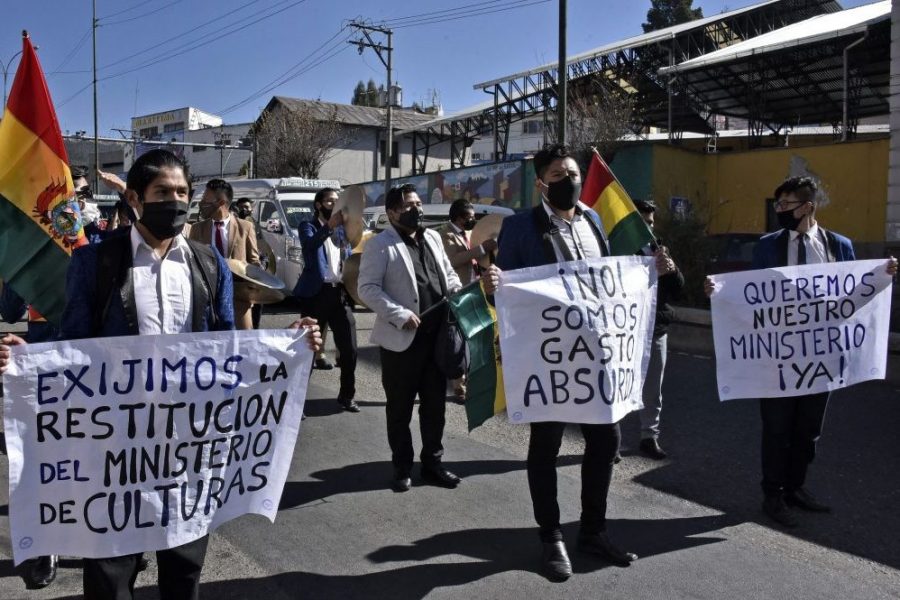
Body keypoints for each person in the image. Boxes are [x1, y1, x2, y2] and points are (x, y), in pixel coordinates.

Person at [0, 149, 320, 600]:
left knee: (184, 567)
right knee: (111, 572)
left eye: (183, 192)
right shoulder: (96, 262)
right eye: (163, 192)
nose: (177, 201)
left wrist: (289, 345)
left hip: (188, 445)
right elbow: (75, 344)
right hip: (115, 445)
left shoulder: (209, 265)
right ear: (134, 197)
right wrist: (28, 358)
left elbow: (226, 350)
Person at [482, 144, 644, 581]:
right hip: (548, 359)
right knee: (546, 446)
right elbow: (506, 293)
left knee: (606, 440)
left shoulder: (593, 219)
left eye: (572, 173)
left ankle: (592, 530)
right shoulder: (519, 228)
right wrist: (493, 281)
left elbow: (610, 279)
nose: (568, 180)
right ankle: (551, 537)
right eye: (558, 175)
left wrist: (650, 273)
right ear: (541, 183)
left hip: (596, 355)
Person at [705, 176, 897, 528]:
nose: (778, 211)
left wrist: (881, 276)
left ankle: (796, 487)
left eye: (785, 205)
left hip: (821, 358)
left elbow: (853, 295)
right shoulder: (767, 246)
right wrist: (720, 292)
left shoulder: (838, 246)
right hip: (778, 359)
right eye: (777, 205)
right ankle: (772, 494)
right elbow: (753, 295)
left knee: (809, 430)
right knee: (776, 428)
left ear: (808, 207)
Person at [358, 184, 463, 493]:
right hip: (402, 341)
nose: (416, 209)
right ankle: (402, 467)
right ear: (392, 213)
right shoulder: (380, 244)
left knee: (435, 407)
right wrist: (399, 314)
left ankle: (433, 464)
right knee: (400, 409)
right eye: (408, 205)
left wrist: (457, 294)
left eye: (419, 203)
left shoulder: (432, 237)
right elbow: (367, 289)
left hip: (436, 338)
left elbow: (449, 275)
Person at [296, 188, 359, 413]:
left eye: (336, 200)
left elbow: (350, 257)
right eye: (329, 200)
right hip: (316, 293)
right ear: (318, 205)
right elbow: (309, 246)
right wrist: (328, 226)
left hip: (340, 293)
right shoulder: (308, 226)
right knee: (308, 349)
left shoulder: (343, 231)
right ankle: (297, 402)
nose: (334, 203)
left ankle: (347, 395)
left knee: (349, 347)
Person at [633, 199, 683, 460]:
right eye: (643, 221)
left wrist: (671, 270)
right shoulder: (617, 250)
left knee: (653, 390)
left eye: (651, 222)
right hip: (626, 332)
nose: (649, 227)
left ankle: (649, 437)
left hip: (655, 330)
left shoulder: (658, 249)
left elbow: (679, 290)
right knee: (618, 386)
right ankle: (610, 440)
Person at [438, 198, 497, 403]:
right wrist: (481, 249)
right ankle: (458, 386)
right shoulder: (444, 234)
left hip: (476, 289)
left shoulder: (471, 233)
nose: (472, 221)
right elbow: (452, 261)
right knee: (458, 340)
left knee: (476, 337)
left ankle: (472, 382)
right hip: (457, 292)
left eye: (473, 217)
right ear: (457, 218)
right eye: (469, 218)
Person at [189, 179, 261, 330]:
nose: (201, 203)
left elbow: (254, 262)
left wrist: (252, 292)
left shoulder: (245, 227)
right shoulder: (197, 229)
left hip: (239, 300)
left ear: (220, 202)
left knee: (243, 345)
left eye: (205, 199)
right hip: (207, 303)